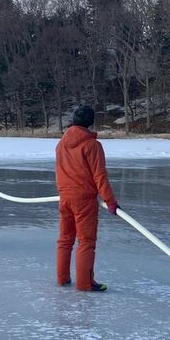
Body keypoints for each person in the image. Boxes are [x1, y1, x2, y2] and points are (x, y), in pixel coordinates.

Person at [55, 106, 119, 291]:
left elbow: (59, 171)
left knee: (65, 239)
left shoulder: (61, 144)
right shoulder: (92, 145)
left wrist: (63, 191)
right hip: (84, 199)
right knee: (86, 241)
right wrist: (111, 201)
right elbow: (100, 175)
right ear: (90, 122)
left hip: (65, 196)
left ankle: (62, 278)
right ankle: (85, 284)